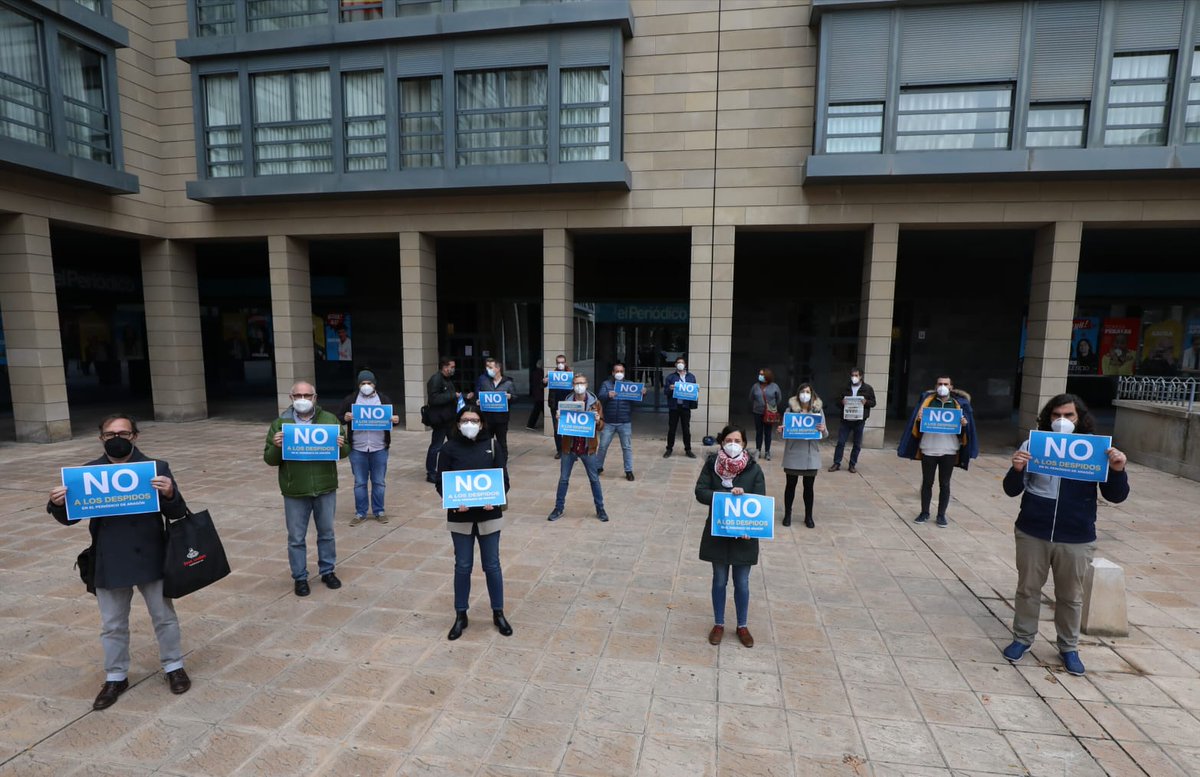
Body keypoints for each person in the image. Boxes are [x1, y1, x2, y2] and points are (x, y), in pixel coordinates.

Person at [47, 414, 192, 710]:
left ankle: (173, 666)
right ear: (101, 438)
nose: (117, 438)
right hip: (109, 558)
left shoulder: (155, 469)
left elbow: (178, 512)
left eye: (124, 433)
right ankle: (115, 675)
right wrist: (57, 503)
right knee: (112, 624)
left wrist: (169, 493)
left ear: (135, 437)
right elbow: (69, 518)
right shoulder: (86, 474)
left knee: (164, 617)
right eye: (111, 433)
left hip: (151, 554)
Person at [1001, 394, 1129, 676]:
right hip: (1033, 530)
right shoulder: (1034, 446)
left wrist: (1118, 470)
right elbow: (1011, 489)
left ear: (1079, 418)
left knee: (1071, 595)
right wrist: (1017, 468)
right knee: (1027, 589)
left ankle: (1069, 647)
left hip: (1076, 535)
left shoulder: (1095, 450)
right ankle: (1022, 638)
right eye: (1056, 415)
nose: (1062, 421)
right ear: (1048, 417)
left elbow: (1116, 496)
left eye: (1068, 416)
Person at [264, 381, 350, 597]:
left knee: (327, 533)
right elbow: (270, 460)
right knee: (296, 537)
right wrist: (276, 447)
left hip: (325, 487)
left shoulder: (329, 420)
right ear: (291, 398)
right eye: (298, 395)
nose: (303, 399)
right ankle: (300, 577)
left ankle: (328, 571)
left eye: (307, 395)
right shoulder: (280, 424)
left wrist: (341, 446)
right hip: (295, 490)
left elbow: (344, 451)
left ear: (315, 397)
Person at [435, 405, 513, 641]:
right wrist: (452, 501)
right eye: (466, 419)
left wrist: (496, 497)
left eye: (475, 419)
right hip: (460, 517)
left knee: (492, 566)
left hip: (489, 516)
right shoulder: (449, 448)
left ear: (482, 423)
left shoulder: (492, 445)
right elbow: (440, 482)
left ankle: (498, 612)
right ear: (458, 424)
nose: (470, 423)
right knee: (463, 566)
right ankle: (461, 614)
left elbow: (504, 479)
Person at [695, 424, 765, 648]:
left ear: (744, 444)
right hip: (719, 532)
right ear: (722, 442)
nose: (733, 444)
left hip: (744, 535)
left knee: (742, 583)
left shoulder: (754, 469)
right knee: (719, 580)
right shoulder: (711, 465)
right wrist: (723, 495)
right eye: (729, 440)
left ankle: (742, 626)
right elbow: (700, 491)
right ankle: (718, 624)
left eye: (737, 440)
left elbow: (760, 501)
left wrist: (751, 526)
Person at [897, 375, 978, 527]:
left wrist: (964, 424)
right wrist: (919, 419)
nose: (943, 386)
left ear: (951, 387)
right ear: (935, 386)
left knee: (945, 484)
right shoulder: (926, 402)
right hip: (929, 448)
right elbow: (915, 427)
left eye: (946, 384)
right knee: (927, 482)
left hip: (949, 450)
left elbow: (965, 432)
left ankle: (941, 515)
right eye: (940, 383)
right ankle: (924, 512)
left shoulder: (958, 404)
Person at [338, 370, 398, 526]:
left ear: (374, 384)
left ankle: (379, 511)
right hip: (357, 447)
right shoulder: (351, 400)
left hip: (379, 447)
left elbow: (394, 417)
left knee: (379, 482)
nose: (366, 386)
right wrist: (345, 417)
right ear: (358, 385)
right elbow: (338, 418)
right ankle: (360, 513)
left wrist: (395, 419)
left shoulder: (383, 400)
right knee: (359, 482)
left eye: (369, 383)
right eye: (363, 383)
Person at [547, 372, 609, 522]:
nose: (579, 386)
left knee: (594, 479)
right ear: (572, 385)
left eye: (581, 383)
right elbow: (560, 427)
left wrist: (598, 419)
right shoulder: (566, 403)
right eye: (576, 383)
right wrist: (558, 419)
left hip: (588, 449)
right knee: (563, 479)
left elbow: (601, 426)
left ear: (587, 385)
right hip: (569, 447)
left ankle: (600, 509)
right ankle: (558, 508)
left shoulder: (595, 403)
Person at [776, 383, 827, 528]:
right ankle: (787, 515)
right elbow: (784, 435)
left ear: (812, 394)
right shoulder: (789, 410)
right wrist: (780, 431)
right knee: (790, 486)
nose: (805, 394)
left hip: (811, 456)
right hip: (793, 454)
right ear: (798, 394)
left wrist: (822, 430)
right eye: (803, 392)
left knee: (809, 487)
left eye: (808, 392)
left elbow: (825, 434)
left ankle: (808, 516)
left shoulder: (818, 411)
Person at [597, 361, 643, 481]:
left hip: (624, 421)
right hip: (609, 421)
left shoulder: (630, 384)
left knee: (627, 447)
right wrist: (608, 395)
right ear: (612, 373)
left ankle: (628, 471)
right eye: (617, 371)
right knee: (602, 446)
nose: (619, 373)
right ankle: (598, 467)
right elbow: (600, 397)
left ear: (624, 373)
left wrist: (643, 393)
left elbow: (638, 401)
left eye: (621, 371)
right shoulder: (606, 384)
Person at [829, 367, 876, 473]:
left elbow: (873, 403)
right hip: (846, 420)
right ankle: (836, 463)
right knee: (841, 442)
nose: (854, 377)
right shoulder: (844, 387)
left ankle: (852, 464)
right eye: (852, 375)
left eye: (856, 375)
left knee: (857, 444)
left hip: (859, 420)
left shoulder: (868, 388)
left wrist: (866, 402)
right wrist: (841, 402)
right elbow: (836, 400)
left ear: (861, 376)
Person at [425, 357, 462, 483]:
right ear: (445, 367)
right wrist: (453, 395)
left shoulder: (447, 380)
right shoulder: (436, 379)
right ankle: (431, 472)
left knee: (453, 444)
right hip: (440, 419)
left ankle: (453, 467)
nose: (453, 369)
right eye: (452, 366)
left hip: (449, 418)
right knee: (436, 446)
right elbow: (433, 399)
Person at [476, 357, 516, 453]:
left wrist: (510, 397)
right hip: (487, 419)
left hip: (501, 419)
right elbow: (480, 395)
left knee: (502, 443)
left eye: (490, 367)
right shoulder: (484, 382)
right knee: (486, 443)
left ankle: (502, 464)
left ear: (498, 368)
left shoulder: (508, 383)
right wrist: (478, 401)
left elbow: (516, 398)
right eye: (487, 367)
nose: (488, 369)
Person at [663, 357, 698, 459]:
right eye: (678, 362)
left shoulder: (691, 377)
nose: (680, 364)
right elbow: (665, 392)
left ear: (685, 364)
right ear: (675, 364)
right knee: (672, 429)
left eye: (682, 362)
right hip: (674, 407)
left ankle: (688, 450)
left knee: (686, 429)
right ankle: (669, 449)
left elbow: (694, 391)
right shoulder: (670, 377)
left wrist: (696, 391)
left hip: (685, 407)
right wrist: (670, 388)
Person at [748, 367, 782, 461]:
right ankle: (758, 450)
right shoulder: (755, 386)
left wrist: (772, 407)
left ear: (767, 376)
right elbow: (751, 397)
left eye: (762, 374)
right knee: (759, 432)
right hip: (757, 413)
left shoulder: (774, 386)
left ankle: (767, 451)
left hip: (770, 414)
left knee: (768, 433)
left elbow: (779, 398)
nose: (760, 376)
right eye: (760, 374)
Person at [546, 354, 573, 459]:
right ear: (556, 363)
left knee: (568, 429)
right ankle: (560, 450)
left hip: (568, 405)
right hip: (555, 405)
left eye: (562, 362)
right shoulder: (552, 374)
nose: (560, 364)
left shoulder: (570, 374)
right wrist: (544, 381)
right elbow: (542, 384)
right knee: (557, 429)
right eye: (558, 362)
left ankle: (569, 450)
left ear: (565, 363)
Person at [526, 359, 545, 429]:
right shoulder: (541, 373)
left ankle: (530, 425)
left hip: (537, 394)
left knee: (538, 410)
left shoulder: (534, 372)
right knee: (536, 410)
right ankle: (530, 425)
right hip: (541, 395)